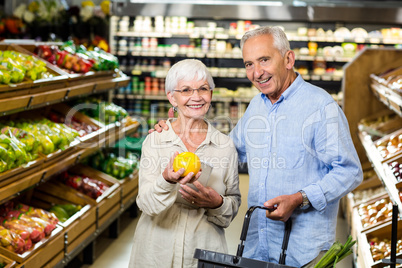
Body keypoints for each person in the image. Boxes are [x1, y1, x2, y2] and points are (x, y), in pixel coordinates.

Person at [151, 26, 363, 268]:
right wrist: (179, 129)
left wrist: (299, 198)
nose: (257, 73)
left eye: (264, 60)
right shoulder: (257, 105)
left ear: (288, 59)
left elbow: (350, 171)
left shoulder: (321, 107)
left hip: (303, 251)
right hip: (257, 245)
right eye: (249, 64)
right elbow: (228, 150)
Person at [129, 59, 241, 268]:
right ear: (172, 97)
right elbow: (146, 204)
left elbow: (232, 207)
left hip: (203, 254)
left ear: (211, 94)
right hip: (155, 254)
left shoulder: (225, 146)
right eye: (186, 90)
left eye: (203, 89)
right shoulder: (156, 140)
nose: (196, 97)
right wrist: (165, 180)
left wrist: (216, 202)